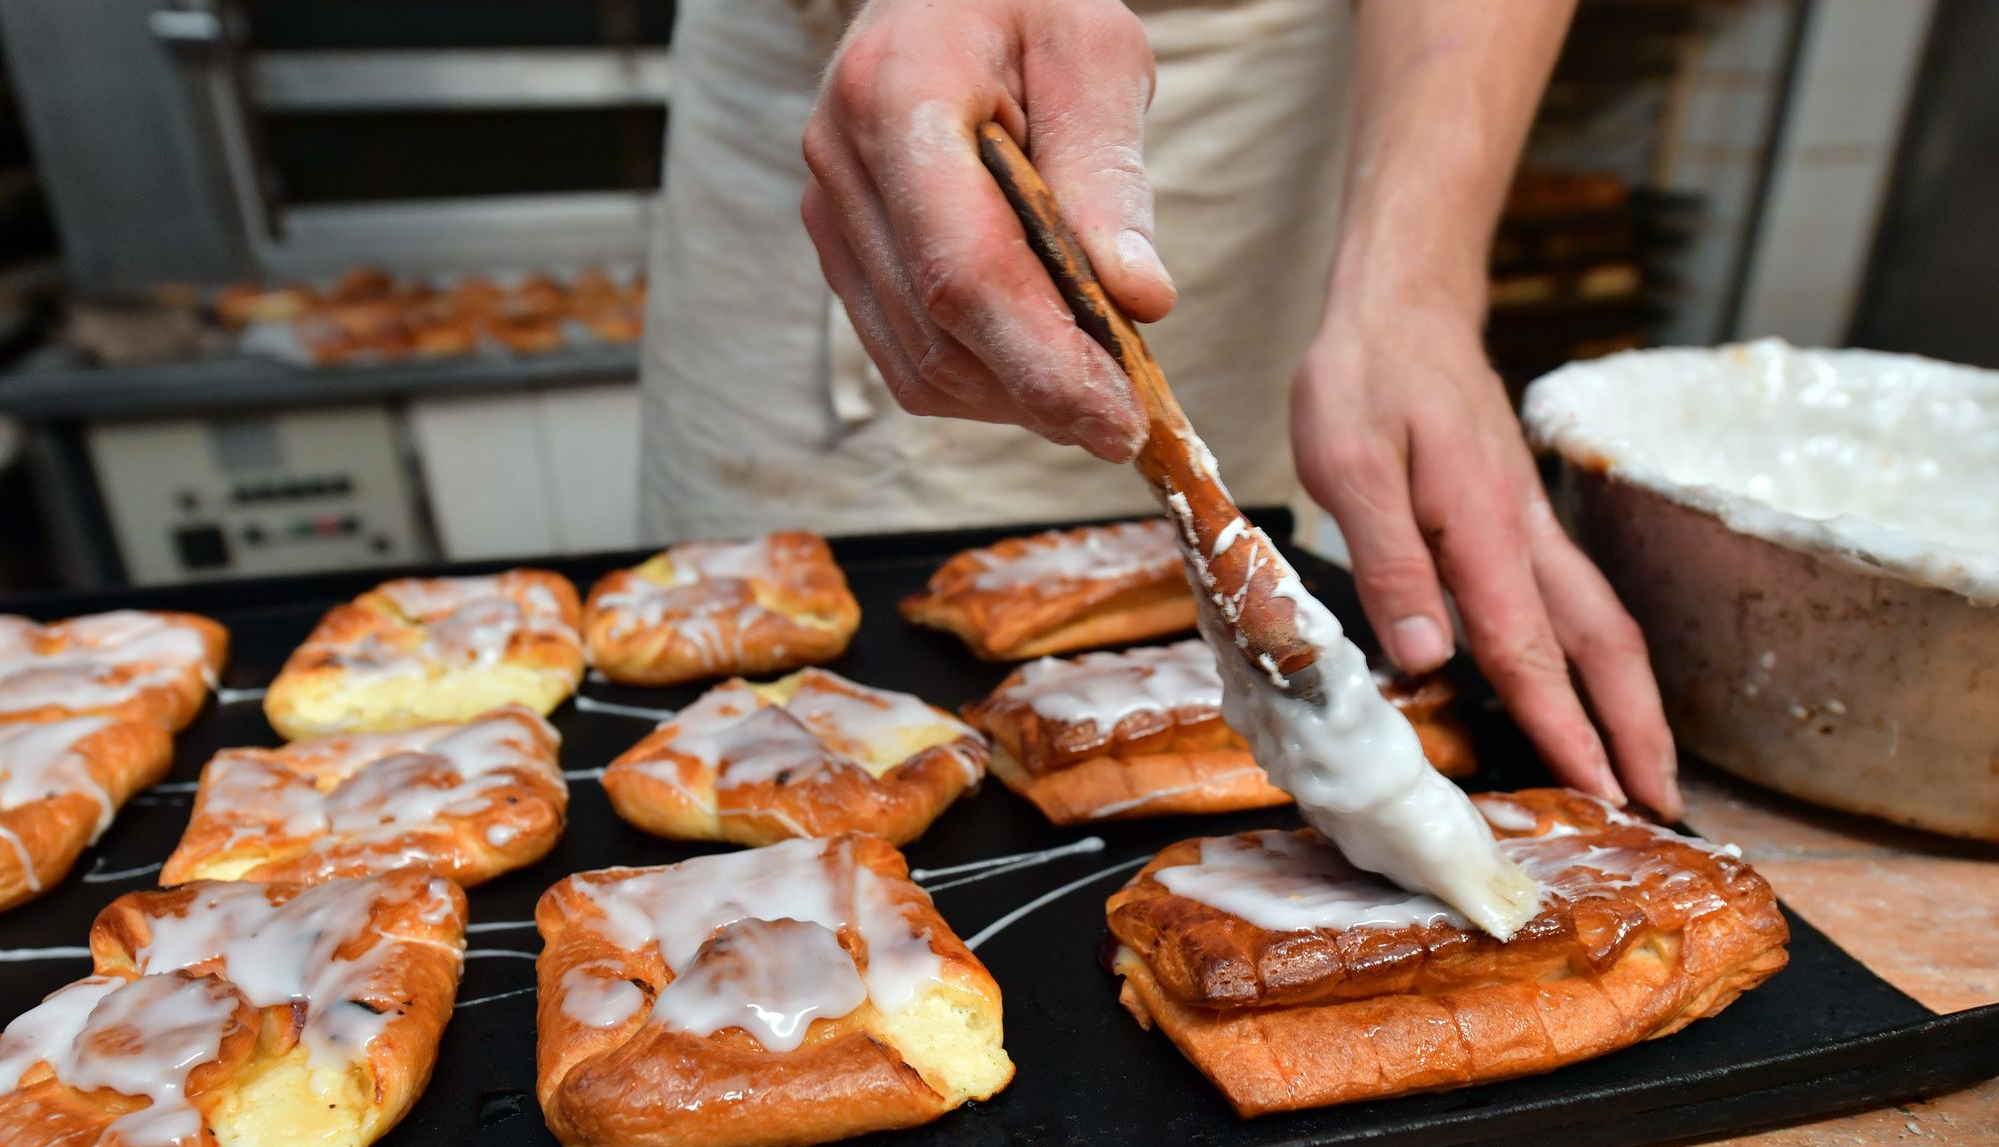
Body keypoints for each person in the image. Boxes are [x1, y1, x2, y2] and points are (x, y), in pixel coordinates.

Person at [638, 0, 1680, 818]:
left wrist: (1415, 287)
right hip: (785, 88)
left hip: (1221, 111)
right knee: (732, 671)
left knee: (1224, 597)